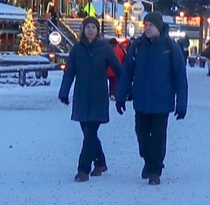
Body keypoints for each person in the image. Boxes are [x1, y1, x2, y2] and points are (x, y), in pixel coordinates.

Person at [114, 12, 189, 184]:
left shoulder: (170, 47)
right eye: (145, 25)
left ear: (159, 27)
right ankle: (148, 161)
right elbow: (127, 73)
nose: (147, 28)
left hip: (162, 102)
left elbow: (180, 77)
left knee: (157, 136)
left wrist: (181, 104)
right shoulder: (137, 46)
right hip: (141, 100)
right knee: (141, 134)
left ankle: (155, 169)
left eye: (151, 25)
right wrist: (121, 96)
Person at [58, 17, 116, 181]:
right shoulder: (77, 49)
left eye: (93, 27)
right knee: (88, 133)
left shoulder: (105, 48)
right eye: (87, 27)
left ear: (98, 31)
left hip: (99, 97)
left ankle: (83, 169)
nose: (90, 30)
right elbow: (69, 72)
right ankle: (100, 163)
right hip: (82, 97)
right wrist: (64, 92)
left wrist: (124, 90)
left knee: (90, 133)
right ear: (83, 30)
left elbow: (119, 70)